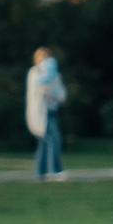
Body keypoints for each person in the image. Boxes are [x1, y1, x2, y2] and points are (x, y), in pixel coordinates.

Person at [26, 48, 67, 179]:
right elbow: (37, 90)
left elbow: (62, 95)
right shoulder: (34, 73)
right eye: (41, 58)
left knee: (44, 143)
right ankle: (57, 171)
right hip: (40, 113)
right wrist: (47, 90)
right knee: (54, 139)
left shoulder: (55, 75)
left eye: (46, 58)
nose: (44, 61)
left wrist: (54, 94)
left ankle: (40, 173)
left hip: (52, 111)